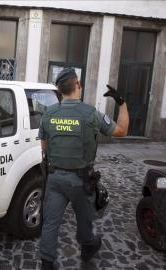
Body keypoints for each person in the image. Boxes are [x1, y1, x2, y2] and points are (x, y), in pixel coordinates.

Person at [38, 68, 129, 270]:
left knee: (50, 223)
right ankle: (88, 245)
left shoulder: (48, 114)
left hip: (55, 179)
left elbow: (44, 147)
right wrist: (121, 103)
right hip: (81, 181)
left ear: (59, 90)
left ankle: (46, 262)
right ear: (78, 85)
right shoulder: (90, 114)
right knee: (84, 220)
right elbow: (122, 130)